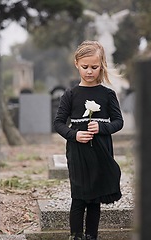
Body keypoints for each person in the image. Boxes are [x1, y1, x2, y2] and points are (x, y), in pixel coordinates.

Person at [53, 40, 124, 240]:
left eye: (94, 67)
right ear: (77, 64)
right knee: (79, 197)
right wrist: (74, 134)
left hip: (101, 151)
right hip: (78, 153)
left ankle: (91, 236)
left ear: (101, 65)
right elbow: (58, 123)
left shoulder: (108, 94)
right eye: (85, 67)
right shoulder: (70, 95)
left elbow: (118, 122)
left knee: (95, 199)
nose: (90, 71)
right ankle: (76, 236)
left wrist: (102, 128)